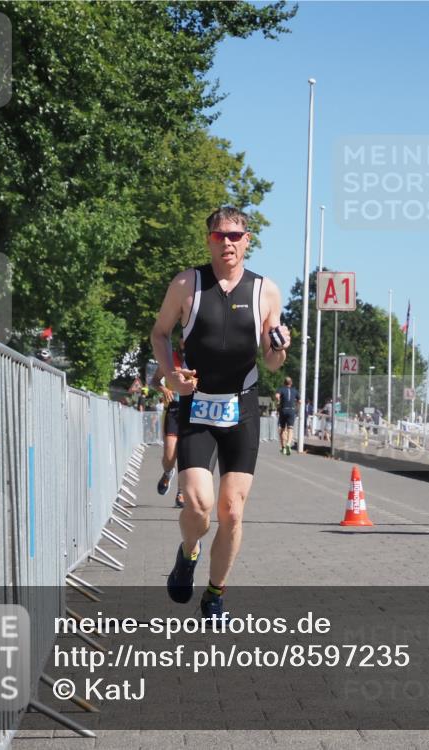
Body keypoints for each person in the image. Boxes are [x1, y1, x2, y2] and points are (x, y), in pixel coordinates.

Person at [150, 206, 290, 621]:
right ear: (209, 240)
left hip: (241, 407)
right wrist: (172, 376)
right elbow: (160, 333)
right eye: (219, 236)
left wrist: (279, 347)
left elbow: (271, 363)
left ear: (248, 240)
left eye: (235, 236)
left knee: (232, 510)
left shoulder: (265, 291)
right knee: (198, 505)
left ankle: (215, 594)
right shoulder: (186, 284)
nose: (227, 243)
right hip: (197, 403)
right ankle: (188, 552)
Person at [154, 350, 185, 508]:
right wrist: (165, 390)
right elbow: (154, 381)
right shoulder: (169, 358)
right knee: (170, 453)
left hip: (194, 410)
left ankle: (181, 492)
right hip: (173, 409)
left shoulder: (202, 356)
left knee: (186, 454)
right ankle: (167, 472)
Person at [275, 376, 300, 455]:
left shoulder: (281, 389)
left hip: (283, 410)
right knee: (290, 429)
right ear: (291, 383)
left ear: (284, 383)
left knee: (282, 429)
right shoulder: (295, 391)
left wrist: (278, 401)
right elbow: (300, 401)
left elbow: (277, 396)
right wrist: (296, 408)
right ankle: (288, 445)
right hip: (291, 410)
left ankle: (283, 447)